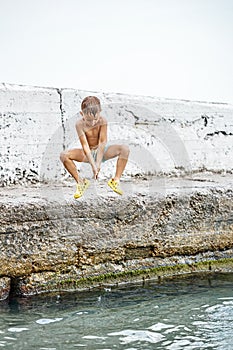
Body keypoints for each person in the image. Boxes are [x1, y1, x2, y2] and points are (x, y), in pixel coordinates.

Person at [60, 96, 130, 199]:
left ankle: (115, 180)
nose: (92, 123)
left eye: (95, 119)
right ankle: (81, 182)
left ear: (100, 112)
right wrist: (93, 165)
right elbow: (85, 145)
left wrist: (98, 163)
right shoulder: (79, 124)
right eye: (88, 120)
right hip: (87, 153)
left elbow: (102, 142)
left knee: (125, 149)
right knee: (64, 155)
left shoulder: (103, 121)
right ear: (81, 114)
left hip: (102, 151)